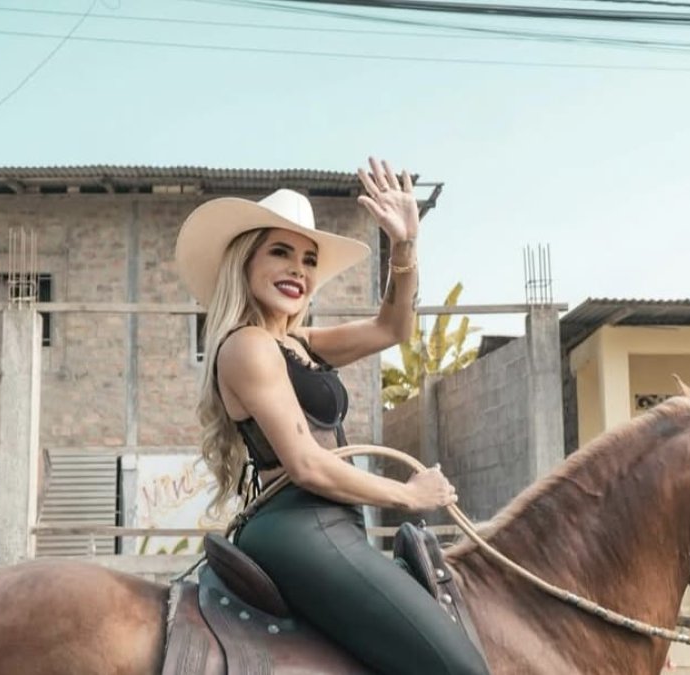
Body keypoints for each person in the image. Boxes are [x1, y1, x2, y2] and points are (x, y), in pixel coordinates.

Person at [174, 157, 489, 675]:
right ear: (244, 261)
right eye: (280, 252)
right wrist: (410, 495)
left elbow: (393, 329)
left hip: (329, 523)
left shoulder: (296, 343)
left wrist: (405, 247)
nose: (298, 269)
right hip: (300, 525)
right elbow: (307, 464)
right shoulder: (248, 346)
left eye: (308, 259)